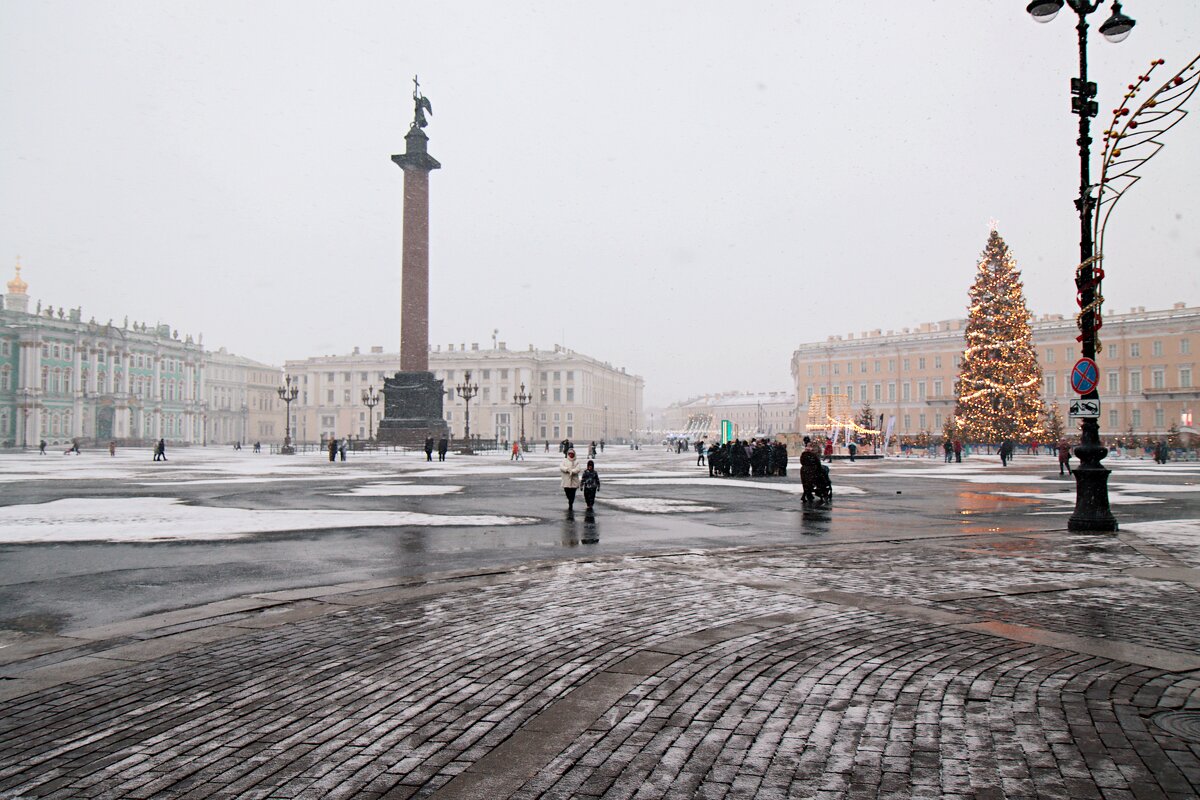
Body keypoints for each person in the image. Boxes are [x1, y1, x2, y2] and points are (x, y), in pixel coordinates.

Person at [799, 437, 822, 504]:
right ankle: (809, 493)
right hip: (812, 469)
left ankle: (807, 494)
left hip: (804, 469)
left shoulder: (803, 455)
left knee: (805, 483)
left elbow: (801, 461)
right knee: (812, 481)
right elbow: (817, 463)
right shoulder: (813, 455)